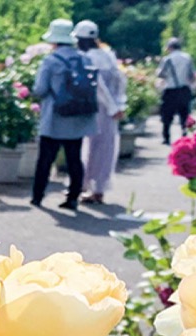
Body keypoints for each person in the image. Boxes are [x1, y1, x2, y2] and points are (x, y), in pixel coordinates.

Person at [30, 18, 98, 211]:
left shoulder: (51, 61)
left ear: (54, 40)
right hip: (78, 117)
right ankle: (73, 198)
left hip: (55, 117)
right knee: (74, 158)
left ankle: (37, 197)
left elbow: (41, 89)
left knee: (45, 158)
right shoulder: (84, 58)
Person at [74, 20, 126, 204]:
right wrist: (119, 105)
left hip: (93, 108)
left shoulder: (85, 57)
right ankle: (99, 188)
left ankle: (84, 185)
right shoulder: (108, 55)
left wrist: (112, 106)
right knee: (107, 148)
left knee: (87, 148)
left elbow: (98, 87)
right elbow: (121, 81)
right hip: (110, 111)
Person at [156, 38, 195, 145]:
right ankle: (184, 136)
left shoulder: (167, 59)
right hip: (184, 89)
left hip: (170, 90)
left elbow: (161, 74)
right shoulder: (187, 58)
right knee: (184, 114)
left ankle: (166, 137)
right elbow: (192, 75)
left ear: (170, 47)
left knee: (167, 115)